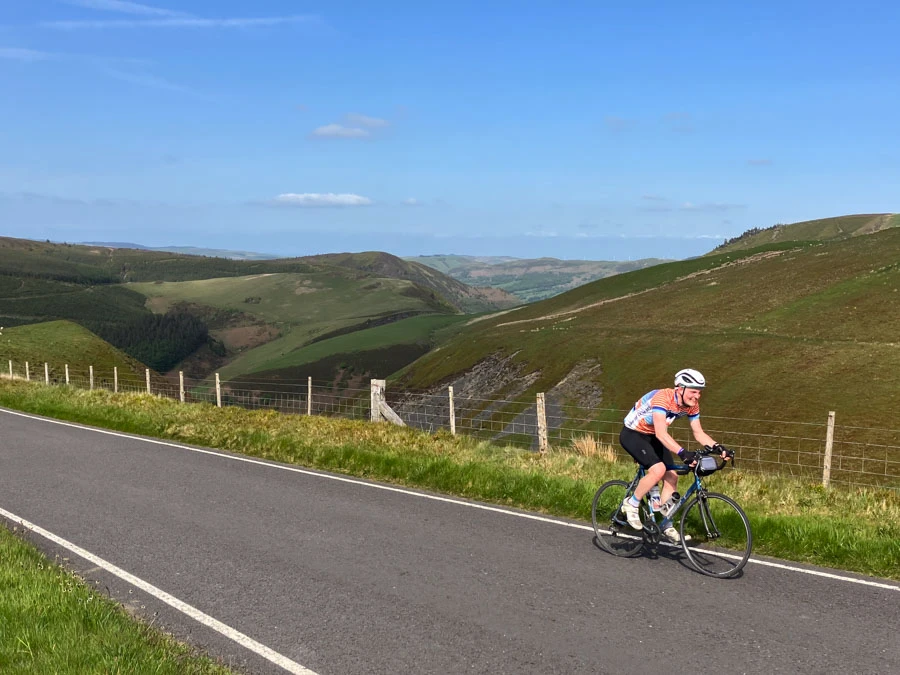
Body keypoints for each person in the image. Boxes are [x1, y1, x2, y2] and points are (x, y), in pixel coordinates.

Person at [618, 368, 730, 543]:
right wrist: (683, 453)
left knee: (672, 477)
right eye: (693, 391)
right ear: (680, 388)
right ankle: (631, 504)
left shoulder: (691, 405)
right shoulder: (663, 397)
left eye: (699, 392)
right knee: (658, 470)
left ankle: (665, 525)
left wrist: (718, 447)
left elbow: (698, 433)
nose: (697, 396)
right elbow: (662, 434)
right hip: (634, 434)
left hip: (653, 436)